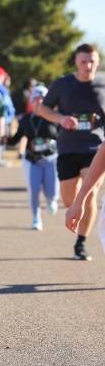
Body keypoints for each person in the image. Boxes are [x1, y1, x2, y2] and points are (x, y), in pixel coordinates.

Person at [38, 43, 105, 261]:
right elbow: (42, 108)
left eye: (92, 61)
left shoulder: (103, 84)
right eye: (84, 61)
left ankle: (81, 243)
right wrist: (61, 119)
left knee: (90, 193)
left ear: (98, 61)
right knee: (70, 199)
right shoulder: (62, 84)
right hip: (68, 147)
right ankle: (75, 209)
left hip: (96, 148)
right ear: (76, 61)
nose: (88, 66)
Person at [7, 85, 59, 230]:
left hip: (51, 159)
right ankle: (36, 218)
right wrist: (4, 138)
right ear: (32, 101)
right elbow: (16, 139)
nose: (40, 101)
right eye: (36, 98)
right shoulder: (26, 119)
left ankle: (51, 200)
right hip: (33, 160)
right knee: (34, 190)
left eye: (43, 98)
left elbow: (63, 136)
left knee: (51, 191)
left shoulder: (55, 117)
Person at [65, 141, 105, 252]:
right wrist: (80, 200)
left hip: (90, 149)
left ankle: (81, 241)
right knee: (67, 199)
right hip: (68, 150)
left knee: (92, 194)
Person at [0, 66, 16, 166]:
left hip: (2, 117)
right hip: (2, 117)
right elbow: (5, 104)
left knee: (0, 138)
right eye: (2, 75)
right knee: (1, 138)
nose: (4, 77)